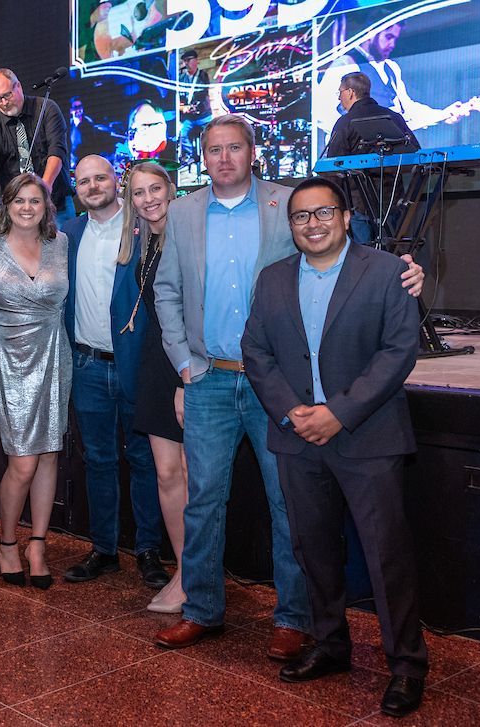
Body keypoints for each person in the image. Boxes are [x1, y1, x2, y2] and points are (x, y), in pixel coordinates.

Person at [151, 114, 425, 660]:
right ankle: (202, 608)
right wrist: (184, 363)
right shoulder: (181, 212)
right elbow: (167, 289)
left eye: (234, 148)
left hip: (278, 384)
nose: (223, 158)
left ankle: (295, 618)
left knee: (289, 505)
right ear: (202, 158)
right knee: (203, 500)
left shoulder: (289, 204)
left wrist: (406, 271)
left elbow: (343, 245)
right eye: (213, 150)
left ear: (252, 153)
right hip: (209, 378)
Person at [243, 177, 427, 717]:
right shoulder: (273, 279)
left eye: (324, 213)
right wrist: (293, 413)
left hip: (368, 439)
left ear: (346, 218)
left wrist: (338, 413)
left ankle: (407, 666)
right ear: (291, 225)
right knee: (314, 549)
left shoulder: (389, 272)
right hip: (298, 437)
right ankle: (330, 645)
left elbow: (398, 352)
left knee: (385, 555)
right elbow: (256, 351)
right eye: (301, 216)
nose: (313, 223)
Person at [59, 155, 167, 589]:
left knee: (144, 460)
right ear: (76, 189)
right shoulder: (69, 234)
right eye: (83, 181)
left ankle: (148, 551)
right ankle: (103, 549)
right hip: (86, 365)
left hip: (136, 366)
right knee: (98, 461)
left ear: (115, 180)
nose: (92, 186)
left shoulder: (141, 227)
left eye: (99, 177)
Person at [0, 173, 71, 590]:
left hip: (53, 355)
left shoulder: (60, 243)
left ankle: (38, 544)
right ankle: (6, 542)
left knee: (49, 454)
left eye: (35, 200)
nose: (27, 207)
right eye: (19, 200)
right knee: (23, 460)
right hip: (7, 358)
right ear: (5, 204)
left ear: (46, 206)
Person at [122, 162, 187, 613]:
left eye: (155, 189)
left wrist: (188, 375)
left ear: (171, 189)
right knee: (167, 474)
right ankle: (186, 570)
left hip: (188, 365)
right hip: (154, 361)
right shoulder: (142, 240)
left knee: (196, 477)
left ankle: (195, 574)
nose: (148, 199)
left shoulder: (190, 234)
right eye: (139, 192)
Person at [315, 19, 480, 135]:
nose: (392, 44)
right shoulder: (347, 63)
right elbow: (322, 113)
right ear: (370, 33)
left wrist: (443, 114)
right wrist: (350, 137)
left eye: (395, 39)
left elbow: (407, 109)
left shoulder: (391, 67)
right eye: (388, 37)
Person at [0, 68, 73, 227]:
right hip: (17, 209)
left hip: (55, 202)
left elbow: (57, 151)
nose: (4, 103)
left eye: (7, 95)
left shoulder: (47, 108)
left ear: (18, 86)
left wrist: (45, 187)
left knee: (62, 248)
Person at [323, 72, 419, 158]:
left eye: (340, 92)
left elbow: (333, 164)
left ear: (350, 92)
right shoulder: (395, 117)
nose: (339, 98)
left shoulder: (344, 122)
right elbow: (417, 154)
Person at [177, 50, 212, 171]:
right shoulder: (181, 78)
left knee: (210, 136)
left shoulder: (203, 75)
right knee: (182, 133)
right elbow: (178, 97)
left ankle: (209, 160)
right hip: (189, 118)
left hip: (203, 116)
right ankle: (191, 156)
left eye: (189, 60)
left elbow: (204, 93)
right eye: (184, 61)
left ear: (196, 61)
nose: (186, 63)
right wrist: (183, 107)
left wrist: (195, 106)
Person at [67, 96, 103, 170]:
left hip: (84, 162)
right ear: (71, 110)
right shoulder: (68, 124)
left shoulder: (88, 123)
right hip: (71, 162)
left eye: (80, 107)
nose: (78, 110)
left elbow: (92, 145)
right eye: (75, 107)